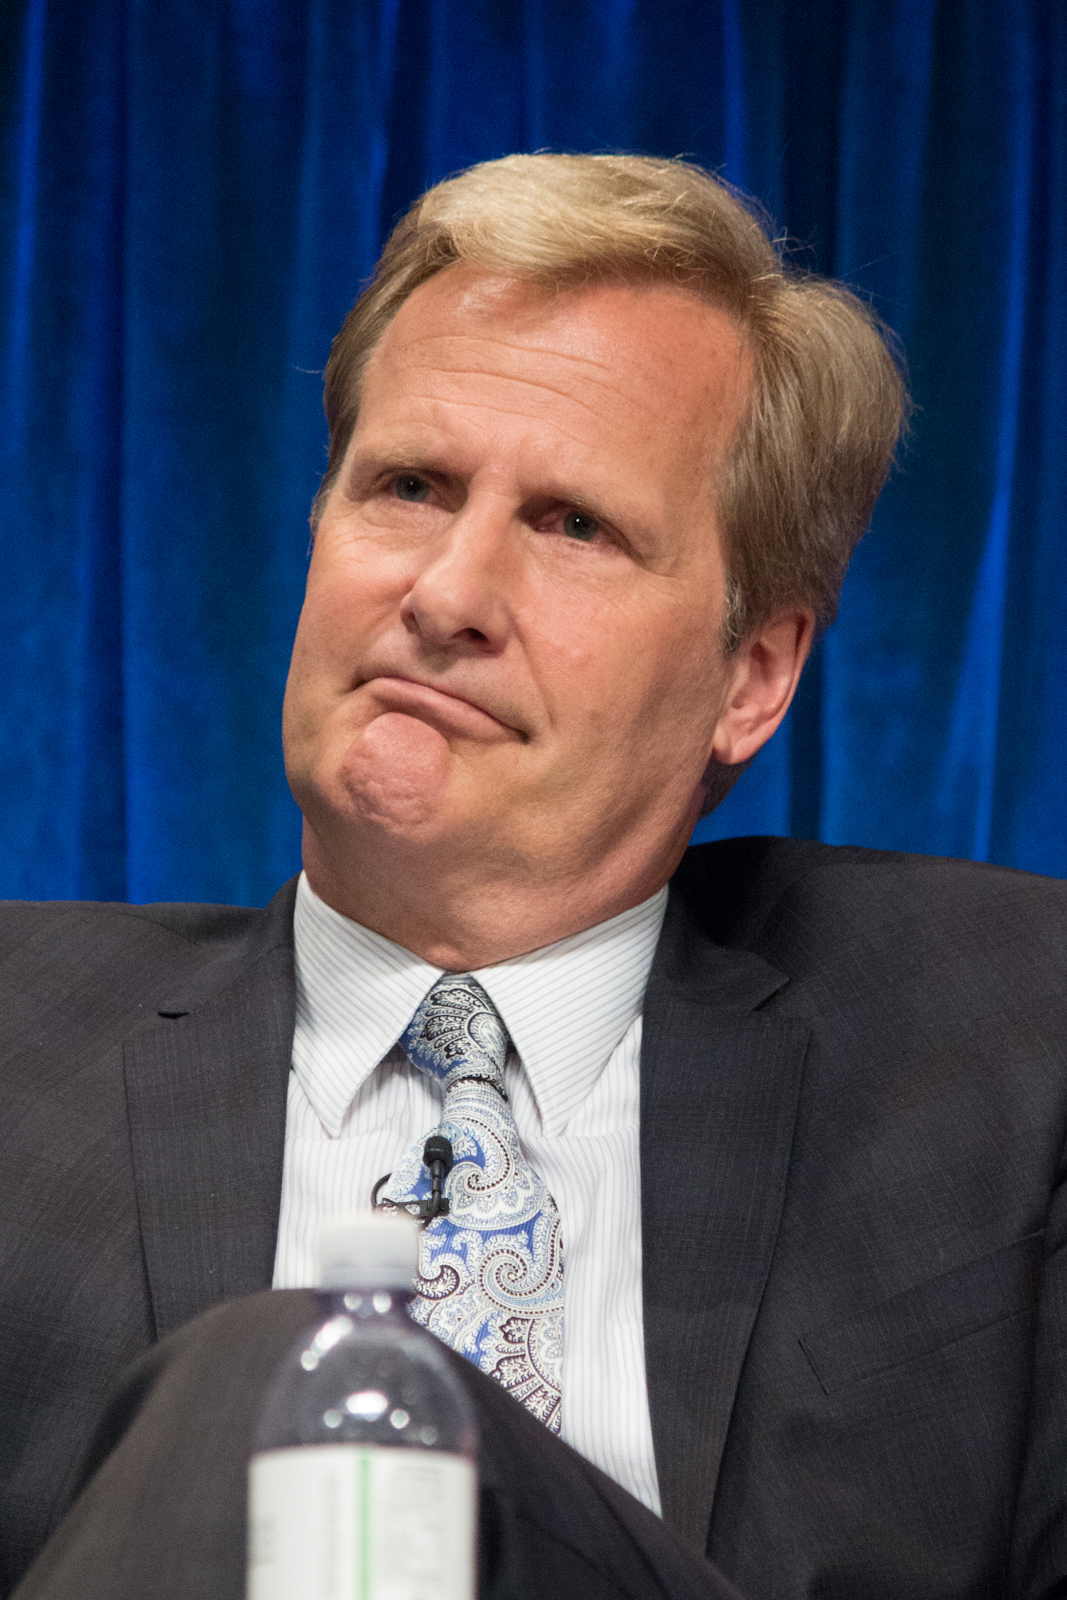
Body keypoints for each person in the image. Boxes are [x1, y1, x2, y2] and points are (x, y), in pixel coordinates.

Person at [2, 153, 1065, 1600]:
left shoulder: (1002, 1044)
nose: (444, 596)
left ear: (752, 679)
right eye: (410, 487)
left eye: (572, 525)